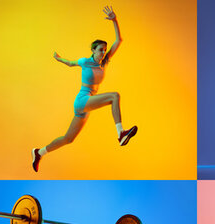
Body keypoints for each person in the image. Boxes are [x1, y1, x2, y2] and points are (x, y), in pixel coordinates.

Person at [31, 6, 137, 172]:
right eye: (100, 50)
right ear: (93, 50)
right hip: (82, 100)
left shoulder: (104, 62)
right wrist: (59, 59)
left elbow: (119, 40)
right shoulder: (85, 61)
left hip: (87, 105)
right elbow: (70, 63)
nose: (103, 52)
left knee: (68, 138)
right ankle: (121, 133)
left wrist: (114, 20)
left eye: (104, 50)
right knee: (114, 96)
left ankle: (39, 152)